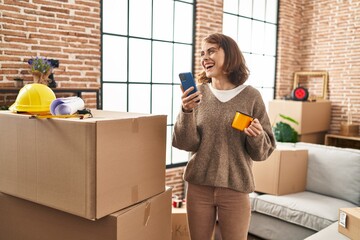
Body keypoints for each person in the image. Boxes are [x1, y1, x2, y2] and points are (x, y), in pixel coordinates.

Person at [172, 33, 276, 240]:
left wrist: (255, 136)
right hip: (198, 186)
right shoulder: (197, 94)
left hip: (236, 187)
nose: (204, 58)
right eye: (202, 53)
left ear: (230, 55)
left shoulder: (251, 96)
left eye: (211, 51)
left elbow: (263, 152)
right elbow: (185, 143)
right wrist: (186, 111)